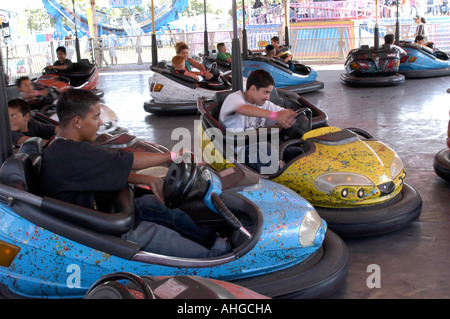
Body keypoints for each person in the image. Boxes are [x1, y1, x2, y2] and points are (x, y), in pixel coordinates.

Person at [39, 89, 230, 258]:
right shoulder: (75, 154)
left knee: (153, 204)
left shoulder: (59, 146)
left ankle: (214, 242)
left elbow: (104, 169)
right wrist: (172, 155)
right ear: (77, 122)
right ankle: (214, 259)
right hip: (97, 233)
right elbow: (128, 159)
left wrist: (147, 179)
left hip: (103, 212)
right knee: (154, 233)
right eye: (95, 117)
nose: (99, 123)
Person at [219, 69, 298, 171]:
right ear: (253, 89)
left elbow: (283, 113)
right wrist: (275, 115)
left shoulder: (264, 104)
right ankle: (282, 176)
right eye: (266, 92)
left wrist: (292, 115)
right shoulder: (234, 98)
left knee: (296, 151)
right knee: (264, 150)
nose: (268, 97)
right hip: (239, 152)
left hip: (261, 147)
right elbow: (242, 109)